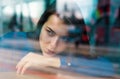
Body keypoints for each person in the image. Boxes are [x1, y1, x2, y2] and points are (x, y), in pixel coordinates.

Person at [16, 3, 115, 77]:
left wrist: (53, 62)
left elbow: (107, 68)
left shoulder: (72, 55)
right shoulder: (17, 40)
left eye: (64, 38)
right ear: (41, 26)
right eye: (50, 32)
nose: (53, 45)